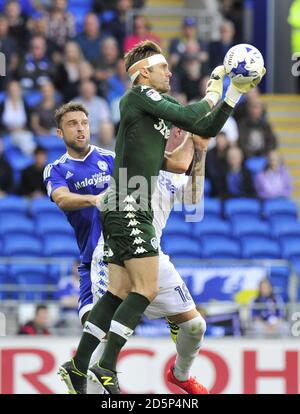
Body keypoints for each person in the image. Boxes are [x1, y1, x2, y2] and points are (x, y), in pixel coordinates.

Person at [65, 40, 265, 394]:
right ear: (143, 74)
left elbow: (201, 132)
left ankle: (78, 366)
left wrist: (233, 93)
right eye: (163, 68)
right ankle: (105, 366)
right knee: (146, 288)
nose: (170, 72)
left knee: (117, 293)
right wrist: (213, 89)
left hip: (125, 206)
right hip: (129, 203)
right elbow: (192, 117)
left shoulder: (155, 115)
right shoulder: (136, 98)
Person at [44, 102, 199, 391]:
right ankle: (84, 371)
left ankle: (83, 370)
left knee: (178, 320)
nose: (80, 128)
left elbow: (164, 165)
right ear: (59, 132)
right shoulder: (57, 169)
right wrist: (94, 199)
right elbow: (63, 199)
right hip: (96, 259)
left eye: (83, 122)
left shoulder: (111, 158)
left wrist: (192, 139)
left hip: (128, 251)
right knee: (102, 335)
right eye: (72, 124)